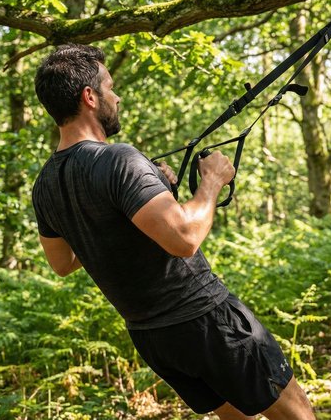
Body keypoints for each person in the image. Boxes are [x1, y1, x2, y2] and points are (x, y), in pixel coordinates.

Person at [31, 44, 316, 420]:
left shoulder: (44, 185)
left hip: (154, 338)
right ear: (90, 97)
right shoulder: (118, 159)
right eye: (110, 87)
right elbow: (185, 238)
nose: (117, 97)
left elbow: (63, 263)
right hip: (205, 318)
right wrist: (211, 181)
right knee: (298, 415)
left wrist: (132, 207)